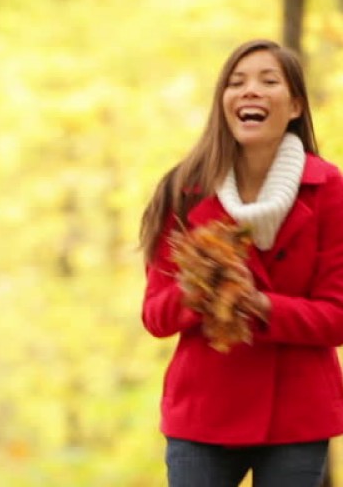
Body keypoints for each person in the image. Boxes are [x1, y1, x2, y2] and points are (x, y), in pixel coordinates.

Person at [139, 38, 343, 487]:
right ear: (223, 103)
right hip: (202, 414)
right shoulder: (184, 189)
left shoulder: (330, 190)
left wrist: (259, 304)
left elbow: (338, 317)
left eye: (268, 82)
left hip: (296, 415)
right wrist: (202, 289)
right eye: (237, 82)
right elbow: (155, 316)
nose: (250, 90)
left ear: (294, 106)